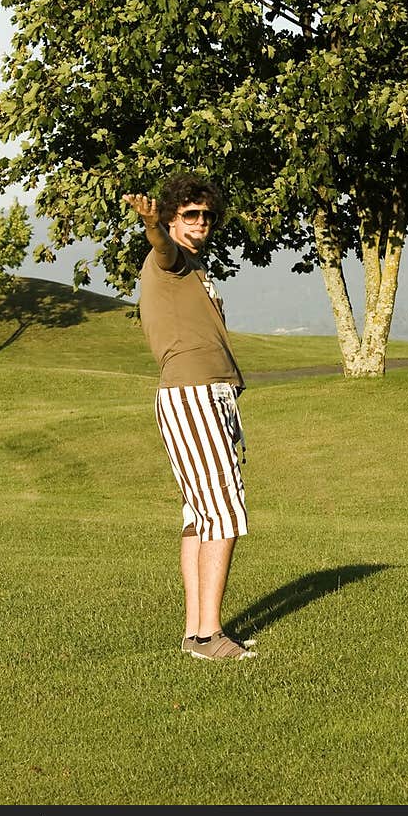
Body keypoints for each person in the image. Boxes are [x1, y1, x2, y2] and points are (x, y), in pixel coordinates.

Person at [123, 172, 255, 662]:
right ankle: (208, 635)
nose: (201, 222)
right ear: (173, 217)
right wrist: (153, 224)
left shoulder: (197, 266)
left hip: (205, 393)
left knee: (200, 515)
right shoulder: (170, 259)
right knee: (224, 514)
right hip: (193, 392)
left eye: (207, 215)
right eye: (190, 215)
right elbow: (160, 245)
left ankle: (196, 632)